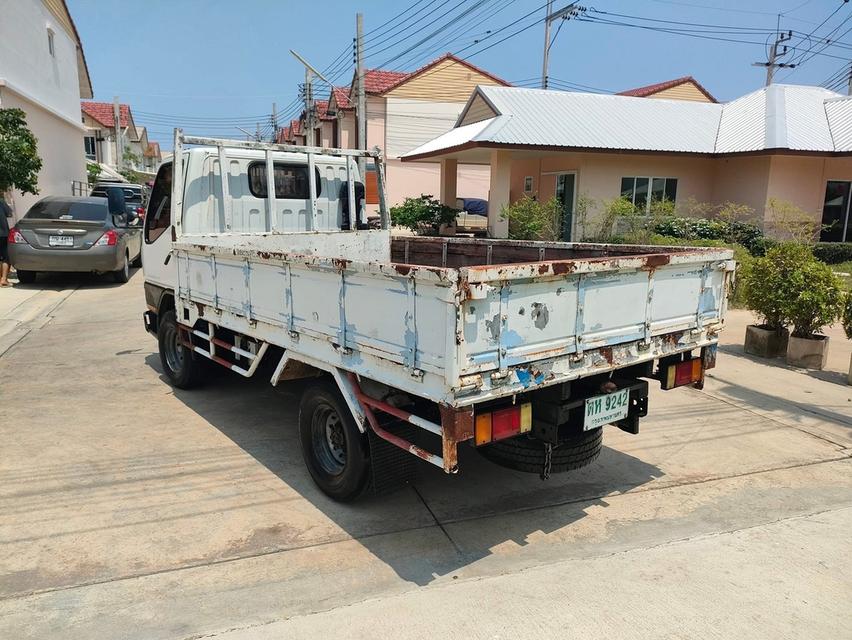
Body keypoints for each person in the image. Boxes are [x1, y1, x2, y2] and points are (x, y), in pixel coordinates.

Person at [0, 197, 11, 287]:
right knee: (6, 257)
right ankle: (3, 279)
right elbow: (9, 213)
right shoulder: (1, 201)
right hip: (2, 233)